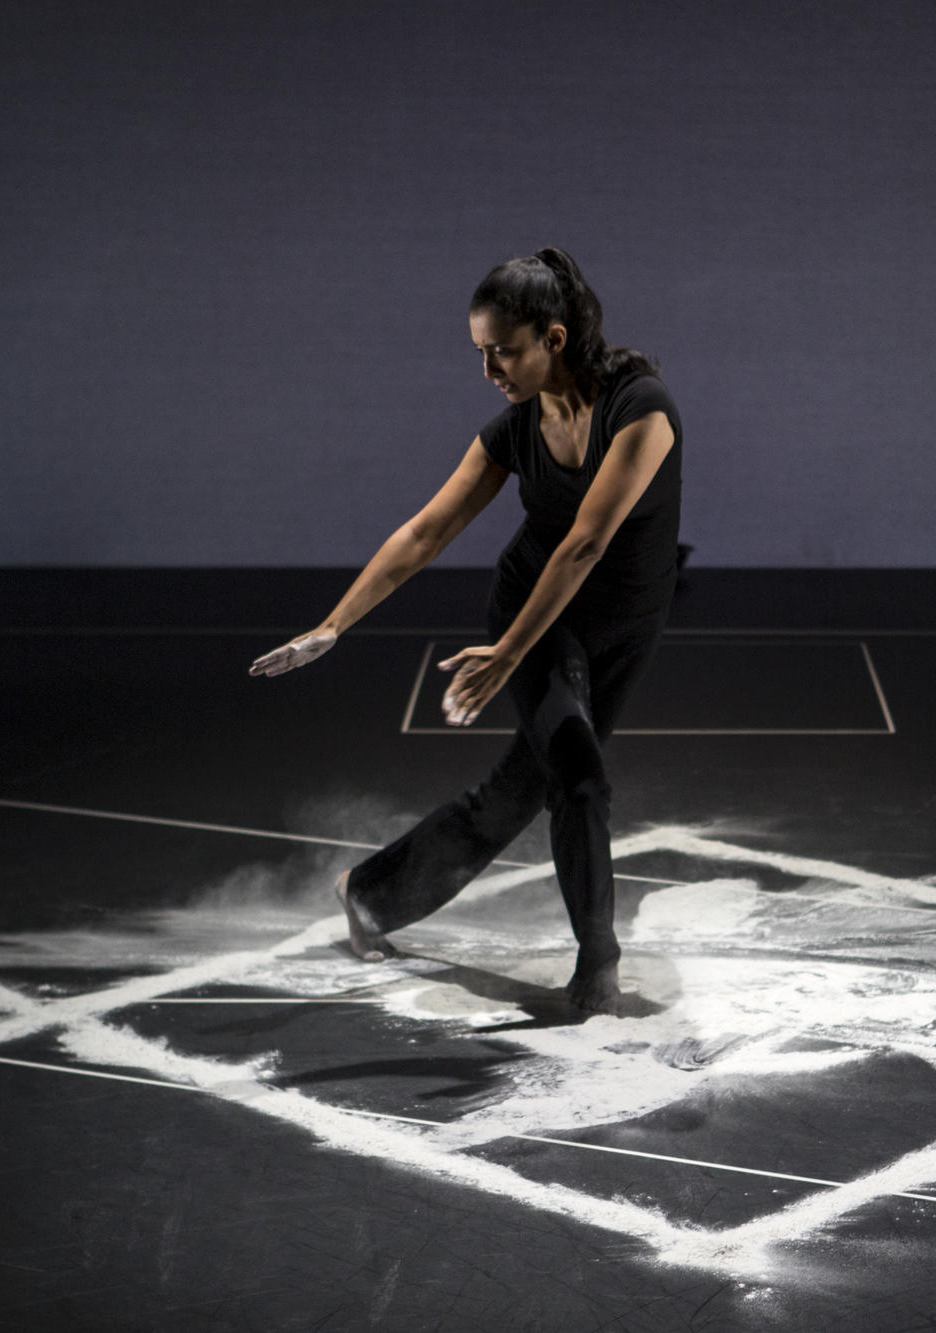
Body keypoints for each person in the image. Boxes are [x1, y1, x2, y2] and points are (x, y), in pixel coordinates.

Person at [248, 248, 682, 1014]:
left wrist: (506, 654)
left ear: (552, 338)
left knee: (521, 790)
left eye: (503, 351)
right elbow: (425, 533)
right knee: (578, 778)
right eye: (479, 353)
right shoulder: (514, 430)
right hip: (537, 613)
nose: (490, 369)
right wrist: (333, 625)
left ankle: (369, 893)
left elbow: (588, 541)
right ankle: (599, 968)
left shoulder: (641, 410)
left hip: (623, 624)